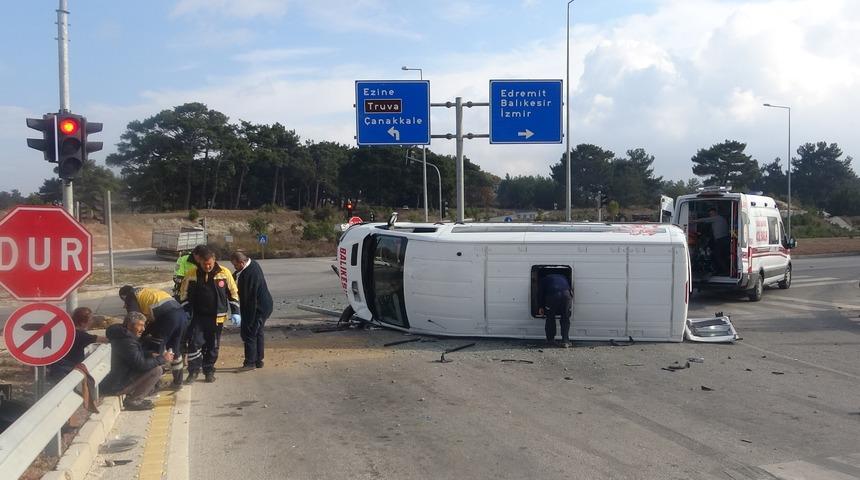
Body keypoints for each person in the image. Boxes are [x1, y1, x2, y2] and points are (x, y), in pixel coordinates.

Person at [179, 249, 239, 383]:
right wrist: (186, 310)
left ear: (214, 260)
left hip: (216, 318)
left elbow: (233, 293)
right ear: (199, 261)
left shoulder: (224, 273)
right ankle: (193, 371)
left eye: (209, 264)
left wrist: (236, 311)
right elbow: (183, 294)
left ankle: (209, 370)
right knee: (194, 344)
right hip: (197, 317)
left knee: (213, 346)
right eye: (204, 264)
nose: (207, 267)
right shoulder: (191, 274)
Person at [100, 312, 174, 411]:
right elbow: (141, 365)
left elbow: (132, 356)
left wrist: (149, 354)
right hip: (117, 385)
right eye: (140, 325)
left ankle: (135, 397)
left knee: (154, 364)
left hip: (116, 380)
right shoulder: (127, 341)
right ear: (129, 325)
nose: (143, 329)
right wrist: (162, 359)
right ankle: (134, 401)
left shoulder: (123, 336)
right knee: (157, 370)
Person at [119, 285, 189, 388]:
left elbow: (134, 319)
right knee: (174, 349)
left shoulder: (131, 296)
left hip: (167, 317)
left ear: (124, 297)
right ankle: (178, 382)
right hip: (181, 315)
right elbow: (150, 319)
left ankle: (154, 384)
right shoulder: (144, 291)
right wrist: (146, 332)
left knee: (155, 349)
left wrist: (128, 336)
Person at [230, 251, 274, 371]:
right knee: (258, 332)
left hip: (258, 308)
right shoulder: (252, 264)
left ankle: (250, 363)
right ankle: (258, 360)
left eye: (236, 265)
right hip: (264, 305)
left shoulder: (250, 275)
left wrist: (246, 319)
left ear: (242, 262)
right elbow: (237, 275)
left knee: (249, 333)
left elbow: (249, 299)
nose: (235, 267)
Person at [48, 307, 108, 381]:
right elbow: (105, 340)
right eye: (90, 320)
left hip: (56, 368)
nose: (92, 322)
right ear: (82, 323)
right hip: (68, 372)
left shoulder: (65, 331)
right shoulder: (81, 336)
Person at [538, 273, 574, 348]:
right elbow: (570, 288)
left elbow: (540, 293)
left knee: (550, 317)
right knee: (565, 317)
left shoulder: (543, 280)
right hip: (566, 295)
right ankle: (565, 341)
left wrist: (540, 306)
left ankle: (550, 340)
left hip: (552, 295)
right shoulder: (563, 276)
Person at [692, 207, 730, 273]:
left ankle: (724, 270)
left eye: (712, 213)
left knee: (716, 254)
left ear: (715, 213)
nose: (711, 215)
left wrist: (693, 221)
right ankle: (724, 269)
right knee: (722, 255)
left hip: (721, 240)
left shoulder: (717, 218)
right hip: (723, 239)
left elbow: (705, 220)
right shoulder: (720, 219)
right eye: (710, 214)